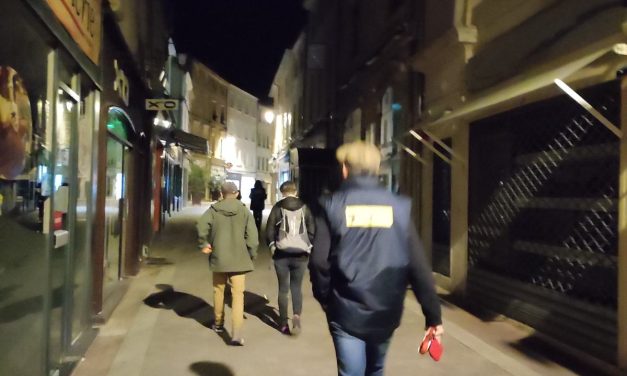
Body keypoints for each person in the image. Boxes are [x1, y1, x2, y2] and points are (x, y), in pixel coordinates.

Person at [309, 141, 443, 376]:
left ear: (344, 169)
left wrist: (325, 298)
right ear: (377, 169)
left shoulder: (332, 205)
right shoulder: (398, 207)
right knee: (376, 369)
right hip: (386, 309)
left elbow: (319, 261)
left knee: (351, 372)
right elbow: (418, 264)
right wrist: (433, 316)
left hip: (345, 310)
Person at [197, 182, 259, 346]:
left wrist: (203, 244)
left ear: (221, 194)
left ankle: (218, 323)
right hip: (239, 260)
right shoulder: (245, 211)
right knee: (238, 296)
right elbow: (252, 237)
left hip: (219, 259)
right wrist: (251, 254)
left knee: (218, 291)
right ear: (237, 193)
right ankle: (237, 334)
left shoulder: (213, 210)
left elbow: (201, 226)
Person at [265, 181, 315, 335]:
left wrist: (273, 246)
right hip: (301, 255)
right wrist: (309, 246)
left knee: (283, 289)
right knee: (296, 287)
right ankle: (296, 315)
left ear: (282, 192)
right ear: (296, 191)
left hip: (281, 255)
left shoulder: (278, 207)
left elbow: (269, 230)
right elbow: (312, 229)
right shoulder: (305, 207)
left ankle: (283, 324)